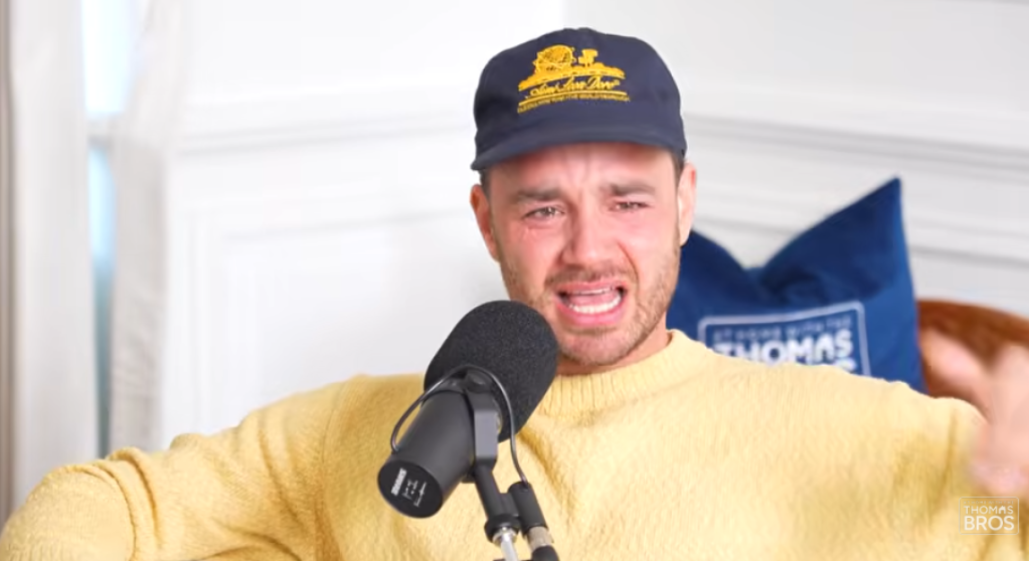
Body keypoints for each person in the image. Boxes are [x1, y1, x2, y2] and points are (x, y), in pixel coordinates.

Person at [2, 26, 1028, 561]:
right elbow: (98, 504)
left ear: (684, 204)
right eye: (542, 208)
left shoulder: (849, 434)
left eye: (627, 200)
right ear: (487, 220)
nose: (588, 250)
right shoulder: (357, 438)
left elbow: (996, 523)